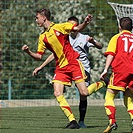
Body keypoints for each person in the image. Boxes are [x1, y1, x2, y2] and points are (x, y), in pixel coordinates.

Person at [22, 8, 107, 129]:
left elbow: (77, 28)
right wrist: (28, 52)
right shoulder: (42, 37)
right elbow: (39, 56)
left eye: (37, 18)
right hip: (61, 68)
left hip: (73, 64)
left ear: (44, 17)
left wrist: (85, 22)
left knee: (84, 92)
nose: (36, 20)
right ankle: (72, 121)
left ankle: (103, 82)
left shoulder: (60, 27)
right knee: (57, 93)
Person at [100, 17, 133, 133]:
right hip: (132, 71)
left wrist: (105, 70)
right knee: (129, 99)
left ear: (120, 27)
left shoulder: (116, 37)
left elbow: (111, 54)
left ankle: (112, 121)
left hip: (120, 70)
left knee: (109, 97)